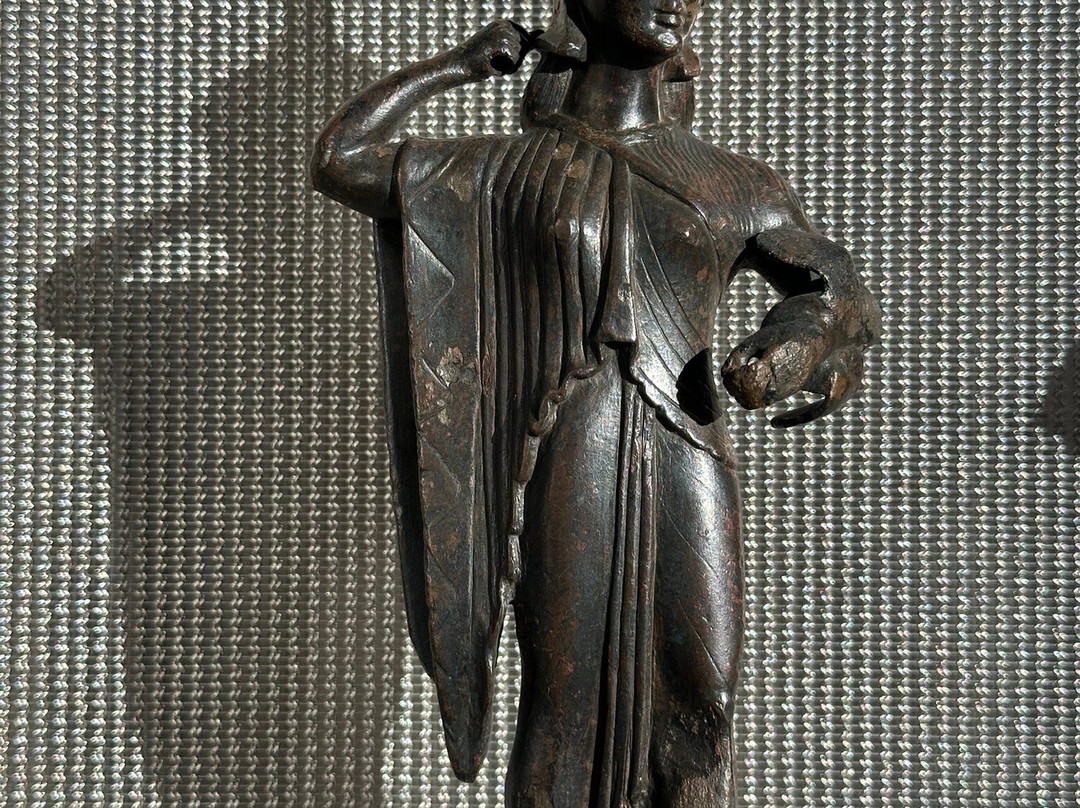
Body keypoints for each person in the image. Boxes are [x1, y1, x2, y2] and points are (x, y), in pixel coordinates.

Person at [312, 2, 881, 806]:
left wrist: (799, 342)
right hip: (571, 438)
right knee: (564, 701)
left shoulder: (731, 183)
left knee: (704, 697)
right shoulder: (504, 172)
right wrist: (454, 67)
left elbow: (836, 288)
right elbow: (343, 161)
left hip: (688, 441)